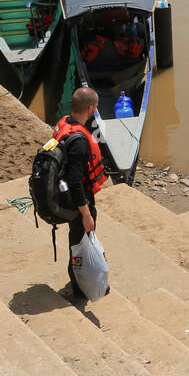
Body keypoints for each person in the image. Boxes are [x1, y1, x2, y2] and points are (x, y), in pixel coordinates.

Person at [56, 87, 107, 300]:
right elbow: (75, 180)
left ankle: (81, 280)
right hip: (79, 201)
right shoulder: (79, 140)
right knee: (79, 244)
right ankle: (81, 288)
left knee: (79, 241)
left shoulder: (65, 124)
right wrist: (85, 213)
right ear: (91, 108)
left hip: (68, 198)